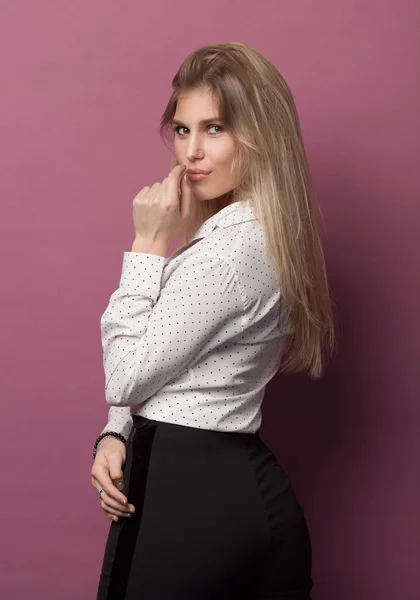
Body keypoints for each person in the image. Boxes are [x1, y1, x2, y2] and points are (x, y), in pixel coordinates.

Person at [91, 41, 336, 600]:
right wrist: (116, 430)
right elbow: (159, 367)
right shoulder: (239, 234)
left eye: (215, 129)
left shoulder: (227, 254)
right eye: (182, 130)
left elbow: (127, 376)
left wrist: (147, 244)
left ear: (259, 137)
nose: (191, 153)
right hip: (203, 484)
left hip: (193, 499)